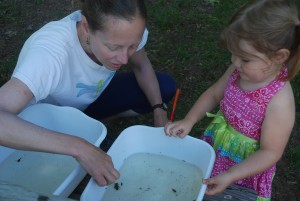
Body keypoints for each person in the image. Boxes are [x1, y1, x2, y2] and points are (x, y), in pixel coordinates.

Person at [0, 0, 176, 187]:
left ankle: (96, 125)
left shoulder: (125, 31)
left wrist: (159, 110)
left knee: (164, 87)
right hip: (43, 123)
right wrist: (79, 147)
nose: (124, 59)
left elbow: (142, 66)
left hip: (85, 99)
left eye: (133, 45)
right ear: (85, 27)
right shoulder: (50, 54)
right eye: (113, 47)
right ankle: (87, 133)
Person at [164, 0, 300, 200]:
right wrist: (190, 120)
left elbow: (270, 153)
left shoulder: (280, 101)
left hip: (243, 169)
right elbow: (214, 94)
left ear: (279, 57)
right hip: (218, 147)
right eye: (233, 54)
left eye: (244, 58)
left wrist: (231, 175)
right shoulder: (239, 71)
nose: (234, 62)